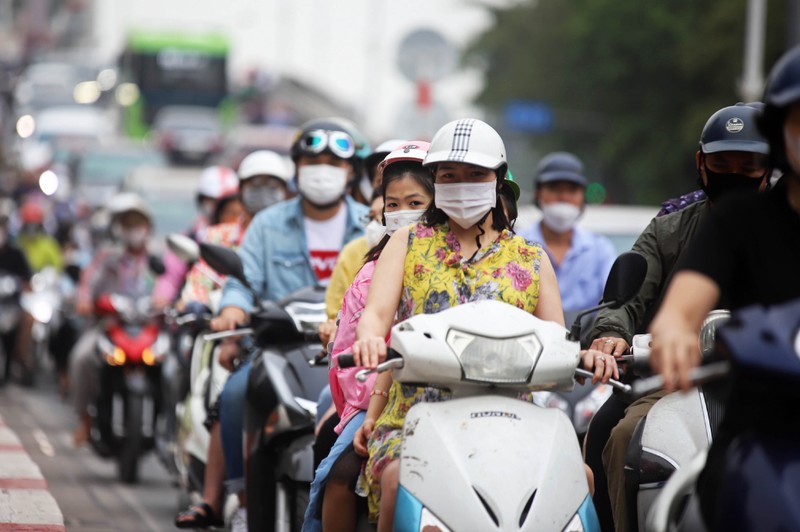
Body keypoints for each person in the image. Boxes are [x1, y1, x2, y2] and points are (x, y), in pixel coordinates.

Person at [350, 118, 615, 530]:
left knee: (580, 479)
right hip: (417, 415)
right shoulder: (407, 242)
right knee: (397, 479)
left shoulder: (531, 257)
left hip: (515, 420)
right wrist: (368, 339)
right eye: (449, 176)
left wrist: (587, 357)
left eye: (475, 175)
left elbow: (557, 340)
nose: (462, 184)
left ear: (498, 179)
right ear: (435, 180)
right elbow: (376, 315)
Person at [582, 102, 771, 532]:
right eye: (723, 163)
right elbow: (632, 293)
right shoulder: (672, 229)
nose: (735, 175)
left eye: (749, 164)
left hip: (774, 383)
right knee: (619, 432)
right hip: (678, 379)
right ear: (702, 166)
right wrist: (612, 333)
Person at [647, 46, 800, 527]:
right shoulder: (739, 221)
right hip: (763, 426)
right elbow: (684, 303)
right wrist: (673, 332)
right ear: (780, 134)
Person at [208, 117, 369, 531]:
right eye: (313, 160)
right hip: (279, 347)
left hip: (353, 356)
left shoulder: (372, 225)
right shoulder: (267, 224)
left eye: (334, 162)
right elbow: (242, 283)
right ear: (296, 168)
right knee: (234, 395)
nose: (323, 169)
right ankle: (243, 502)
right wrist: (233, 308)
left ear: (351, 172)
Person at [302, 141, 433, 532]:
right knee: (338, 475)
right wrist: (374, 404)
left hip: (456, 399)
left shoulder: (478, 260)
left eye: (414, 202)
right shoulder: (369, 270)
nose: (400, 214)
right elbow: (351, 348)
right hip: (380, 400)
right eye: (392, 205)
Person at [174, 149, 293, 529]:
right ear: (240, 191)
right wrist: (214, 310)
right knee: (231, 397)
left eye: (272, 185)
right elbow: (208, 281)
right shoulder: (221, 236)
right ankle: (229, 499)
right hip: (244, 335)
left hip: (304, 336)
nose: (264, 192)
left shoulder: (295, 230)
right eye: (255, 185)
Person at [69, 192, 166, 445]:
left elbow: (168, 284)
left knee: (173, 367)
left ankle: (170, 431)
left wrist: (166, 300)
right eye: (128, 224)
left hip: (146, 328)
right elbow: (88, 283)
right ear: (119, 228)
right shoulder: (107, 256)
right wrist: (84, 300)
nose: (134, 230)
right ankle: (85, 420)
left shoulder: (158, 258)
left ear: (148, 227)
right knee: (81, 358)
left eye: (138, 224)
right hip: (109, 325)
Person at [520, 152, 615, 312]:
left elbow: (614, 302)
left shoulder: (600, 250)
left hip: (586, 336)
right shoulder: (516, 245)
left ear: (582, 198)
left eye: (571, 190)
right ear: (538, 194)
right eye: (554, 188)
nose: (563, 197)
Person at [0, 198, 34, 385]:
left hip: (12, 307)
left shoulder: (16, 254)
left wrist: (20, 284)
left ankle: (22, 359)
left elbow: (28, 280)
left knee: (28, 321)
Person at [16, 198, 64, 273]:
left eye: (34, 226)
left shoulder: (49, 243)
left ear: (39, 226)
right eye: (28, 226)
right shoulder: (18, 243)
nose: (31, 230)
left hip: (43, 281)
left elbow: (58, 266)